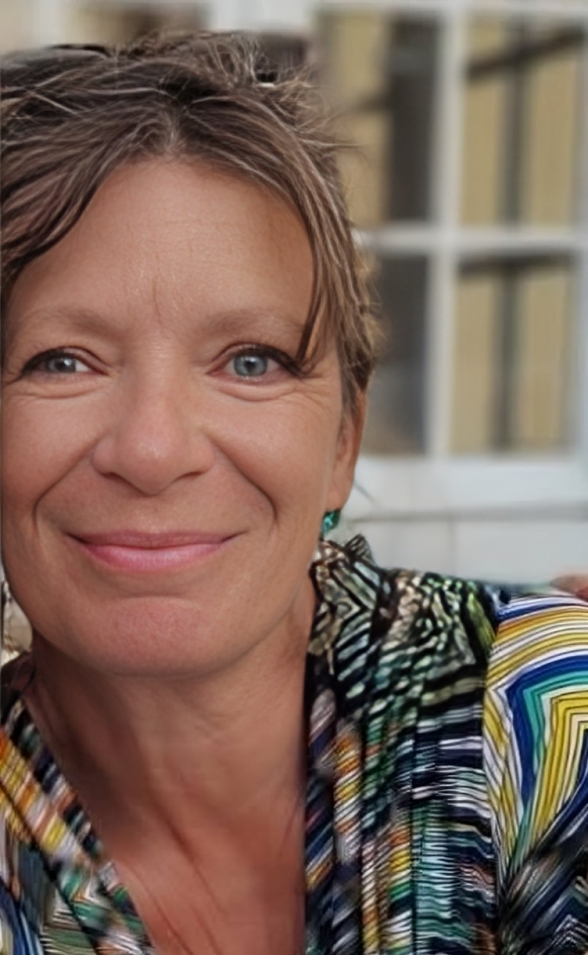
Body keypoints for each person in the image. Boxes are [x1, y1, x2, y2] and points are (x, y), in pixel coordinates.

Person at [1, 32, 588, 955]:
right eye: (62, 360)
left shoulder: (529, 711)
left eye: (251, 360)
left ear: (343, 440)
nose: (153, 450)